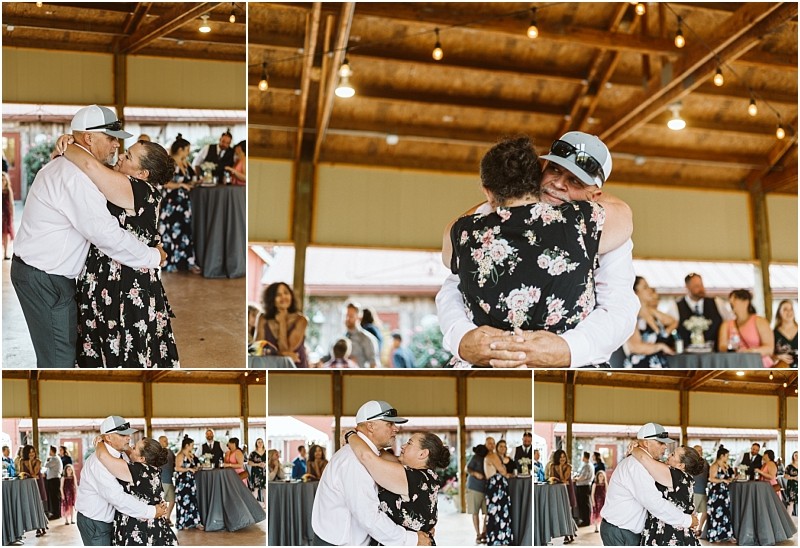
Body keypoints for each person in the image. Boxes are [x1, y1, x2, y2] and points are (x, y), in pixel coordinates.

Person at [437, 132, 638, 368]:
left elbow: (619, 308)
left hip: (565, 365)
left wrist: (568, 349)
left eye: (575, 182)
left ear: (594, 196)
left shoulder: (603, 227)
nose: (559, 184)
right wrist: (461, 337)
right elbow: (453, 285)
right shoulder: (487, 214)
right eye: (554, 170)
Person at [11, 105, 164, 368]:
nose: (116, 145)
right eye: (111, 138)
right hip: (45, 278)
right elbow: (106, 235)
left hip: (47, 273)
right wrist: (153, 256)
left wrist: (67, 145)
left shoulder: (77, 167)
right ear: (90, 138)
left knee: (63, 353)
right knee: (59, 360)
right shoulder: (74, 175)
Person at [55, 132, 179, 368]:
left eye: (129, 156)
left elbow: (89, 164)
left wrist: (66, 146)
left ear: (142, 174)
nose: (121, 155)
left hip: (125, 285)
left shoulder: (140, 190)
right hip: (104, 278)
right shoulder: (119, 180)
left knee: (125, 348)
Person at [310, 400, 431, 546]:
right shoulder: (354, 461)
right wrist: (412, 539)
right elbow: (369, 517)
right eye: (389, 424)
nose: (396, 429)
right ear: (371, 426)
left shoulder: (370, 456)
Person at [74, 416, 168, 545]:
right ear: (108, 437)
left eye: (128, 434)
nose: (128, 438)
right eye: (123, 435)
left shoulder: (122, 455)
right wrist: (152, 511)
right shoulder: (99, 462)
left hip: (112, 520)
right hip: (96, 521)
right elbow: (117, 498)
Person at [347, 429, 450, 545]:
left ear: (422, 454)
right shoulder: (425, 476)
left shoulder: (414, 478)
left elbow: (367, 457)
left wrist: (350, 435)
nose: (402, 446)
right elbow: (380, 453)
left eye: (409, 443)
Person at [599, 423, 696, 546]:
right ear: (646, 443)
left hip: (628, 531)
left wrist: (635, 449)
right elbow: (653, 503)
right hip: (620, 531)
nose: (665, 447)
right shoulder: (635, 465)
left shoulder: (651, 465)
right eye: (660, 443)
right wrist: (687, 520)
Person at [92, 436, 176, 546]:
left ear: (142, 459)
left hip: (139, 528)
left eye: (135, 448)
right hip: (153, 524)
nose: (131, 448)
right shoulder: (152, 469)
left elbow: (103, 456)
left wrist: (100, 443)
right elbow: (132, 451)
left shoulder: (138, 470)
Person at [630, 443, 704, 546]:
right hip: (671, 528)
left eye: (673, 454)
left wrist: (633, 448)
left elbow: (643, 458)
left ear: (681, 465)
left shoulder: (676, 475)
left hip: (671, 533)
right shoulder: (683, 477)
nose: (669, 455)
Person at [159, 134, 200, 274]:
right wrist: (180, 185)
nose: (189, 152)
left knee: (184, 231)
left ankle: (185, 262)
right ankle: (170, 262)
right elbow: (164, 183)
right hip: (171, 203)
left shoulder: (186, 163)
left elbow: (188, 180)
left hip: (183, 203)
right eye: (187, 149)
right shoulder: (170, 163)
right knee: (171, 232)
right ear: (181, 149)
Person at [623, 277, 676, 367]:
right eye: (645, 287)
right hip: (641, 364)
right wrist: (660, 346)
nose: (650, 290)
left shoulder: (652, 312)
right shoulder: (632, 315)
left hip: (658, 362)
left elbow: (673, 321)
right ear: (636, 292)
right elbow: (634, 347)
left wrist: (650, 311)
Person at [257, 282, 309, 367]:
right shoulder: (263, 318)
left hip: (296, 368)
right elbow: (256, 350)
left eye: (286, 293)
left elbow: (286, 350)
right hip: (270, 368)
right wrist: (279, 353)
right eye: (278, 294)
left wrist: (282, 322)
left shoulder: (301, 320)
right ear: (271, 299)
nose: (283, 297)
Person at [718, 289, 775, 367]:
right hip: (735, 363)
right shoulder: (726, 324)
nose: (731, 301)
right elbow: (722, 347)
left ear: (746, 302)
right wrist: (733, 350)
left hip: (758, 363)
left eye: (735, 299)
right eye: (730, 300)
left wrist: (749, 351)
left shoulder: (760, 321)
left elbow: (769, 349)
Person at [673, 273, 731, 349]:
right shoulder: (675, 306)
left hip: (714, 354)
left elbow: (729, 322)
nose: (701, 289)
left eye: (702, 285)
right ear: (687, 287)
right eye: (697, 286)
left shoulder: (717, 302)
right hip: (687, 356)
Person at [485, 438, 513, 545]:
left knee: (496, 513)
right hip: (497, 487)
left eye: (493, 443)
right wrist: (505, 472)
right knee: (499, 512)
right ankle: (500, 539)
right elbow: (503, 471)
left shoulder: (490, 456)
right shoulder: (492, 456)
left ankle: (495, 537)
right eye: (490, 444)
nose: (492, 445)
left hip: (494, 486)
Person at [706, 447, 735, 542]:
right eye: (727, 456)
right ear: (722, 456)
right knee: (716, 514)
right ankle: (716, 535)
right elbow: (711, 478)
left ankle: (726, 535)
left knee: (725, 513)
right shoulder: (714, 466)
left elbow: (728, 477)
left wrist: (730, 479)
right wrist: (722, 480)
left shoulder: (725, 465)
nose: (728, 457)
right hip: (716, 493)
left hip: (724, 493)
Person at [174, 436, 203, 531]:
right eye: (192, 445)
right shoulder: (180, 455)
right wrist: (188, 469)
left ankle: (194, 522)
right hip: (183, 482)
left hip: (190, 481)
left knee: (192, 501)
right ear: (187, 445)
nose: (193, 447)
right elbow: (177, 468)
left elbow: (196, 464)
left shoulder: (191, 455)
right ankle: (183, 523)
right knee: (183, 502)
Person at [547, 449, 575, 544]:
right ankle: (570, 533)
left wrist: (559, 468)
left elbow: (563, 479)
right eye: (560, 457)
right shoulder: (552, 466)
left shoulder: (568, 467)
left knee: (567, 511)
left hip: (567, 490)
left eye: (564, 457)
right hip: (557, 491)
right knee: (561, 511)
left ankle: (568, 534)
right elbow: (551, 478)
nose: (562, 459)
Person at [19, 445, 47, 537]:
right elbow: (22, 473)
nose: (32, 454)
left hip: (38, 484)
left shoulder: (38, 461)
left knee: (38, 505)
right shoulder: (21, 461)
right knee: (32, 505)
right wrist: (27, 474)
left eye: (33, 451)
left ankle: (40, 528)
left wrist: (30, 463)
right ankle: (42, 526)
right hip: (28, 485)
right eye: (30, 452)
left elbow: (33, 473)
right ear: (26, 453)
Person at [343, 302, 382, 367]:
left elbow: (374, 364)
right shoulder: (342, 338)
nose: (347, 319)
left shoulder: (368, 339)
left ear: (359, 317)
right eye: (346, 316)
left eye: (351, 316)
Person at [466, 443, 489, 544]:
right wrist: (476, 473)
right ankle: (478, 534)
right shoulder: (475, 457)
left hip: (487, 488)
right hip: (474, 488)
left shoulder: (489, 457)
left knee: (487, 512)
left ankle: (484, 532)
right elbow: (468, 468)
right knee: (475, 512)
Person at [773, 299, 798, 367]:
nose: (789, 312)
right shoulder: (773, 333)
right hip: (783, 368)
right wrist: (778, 357)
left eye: (791, 309)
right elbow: (769, 355)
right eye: (785, 309)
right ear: (779, 313)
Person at [157, 436, 176, 525]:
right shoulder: (157, 453)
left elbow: (175, 463)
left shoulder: (170, 452)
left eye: (167, 440)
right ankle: (162, 519)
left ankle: (167, 518)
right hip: (161, 479)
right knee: (162, 501)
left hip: (170, 479)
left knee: (172, 500)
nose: (166, 442)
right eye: (165, 441)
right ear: (160, 442)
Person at [691, 445, 709, 534]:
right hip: (695, 490)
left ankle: (699, 529)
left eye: (701, 450)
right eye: (698, 450)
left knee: (705, 512)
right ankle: (692, 530)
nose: (700, 452)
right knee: (693, 512)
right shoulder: (691, 462)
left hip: (703, 490)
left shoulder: (705, 462)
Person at [574, 451, 593, 527]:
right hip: (585, 486)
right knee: (585, 504)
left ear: (584, 457)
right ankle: (586, 520)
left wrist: (576, 479)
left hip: (583, 487)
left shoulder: (587, 466)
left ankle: (586, 521)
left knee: (584, 504)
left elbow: (583, 476)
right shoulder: (588, 465)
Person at [45, 445, 63, 519]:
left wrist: (47, 460)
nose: (49, 452)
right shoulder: (54, 458)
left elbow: (46, 465)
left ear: (52, 451)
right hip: (53, 480)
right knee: (53, 497)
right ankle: (55, 513)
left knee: (55, 498)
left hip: (54, 480)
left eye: (49, 450)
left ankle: (56, 514)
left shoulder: (54, 459)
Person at [248, 438, 266, 502]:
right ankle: (254, 506)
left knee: (265, 489)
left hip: (265, 472)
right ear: (256, 444)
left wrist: (265, 464)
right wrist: (258, 464)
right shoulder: (253, 453)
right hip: (256, 472)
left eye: (261, 442)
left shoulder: (266, 452)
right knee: (255, 488)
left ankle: (266, 505)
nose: (260, 443)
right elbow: (249, 462)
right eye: (259, 442)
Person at [2, 171, 13, 260]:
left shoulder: (8, 190)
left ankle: (5, 253)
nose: (3, 182)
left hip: (6, 215)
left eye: (4, 180)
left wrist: (12, 215)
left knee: (5, 234)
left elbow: (11, 203)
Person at [785, 451, 798, 516]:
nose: (797, 457)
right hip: (792, 486)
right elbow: (785, 476)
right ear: (793, 456)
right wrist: (794, 478)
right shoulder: (789, 466)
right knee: (791, 502)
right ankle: (788, 519)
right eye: (795, 455)